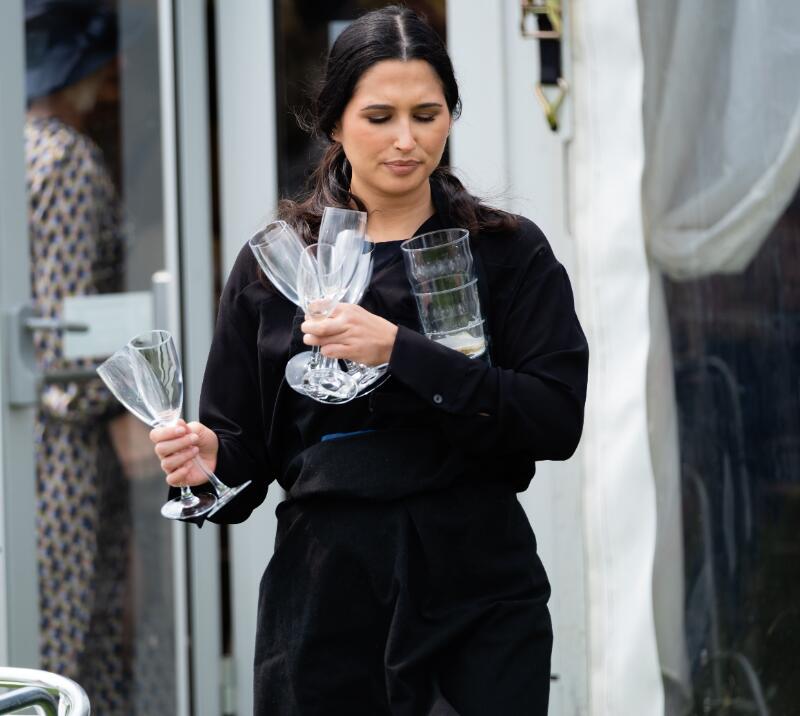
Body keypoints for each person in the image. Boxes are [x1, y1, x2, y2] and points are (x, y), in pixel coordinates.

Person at [151, 5, 588, 714]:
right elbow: (242, 461)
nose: (408, 140)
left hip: (476, 585)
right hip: (327, 594)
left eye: (428, 113)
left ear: (452, 115)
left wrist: (398, 351)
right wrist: (206, 462)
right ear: (334, 121)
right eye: (380, 116)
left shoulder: (508, 251)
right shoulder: (277, 267)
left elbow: (554, 420)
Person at [25, 1, 132, 712]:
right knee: (64, 651)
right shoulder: (61, 158)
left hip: (26, 438)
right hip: (57, 451)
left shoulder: (16, 149)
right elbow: (61, 344)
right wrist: (133, 395)